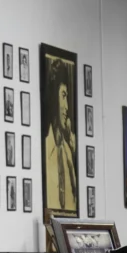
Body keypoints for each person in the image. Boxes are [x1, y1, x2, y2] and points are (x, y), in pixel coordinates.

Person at [46, 78, 78, 213]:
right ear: (54, 99)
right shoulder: (45, 150)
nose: (67, 107)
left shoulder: (68, 152)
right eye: (63, 96)